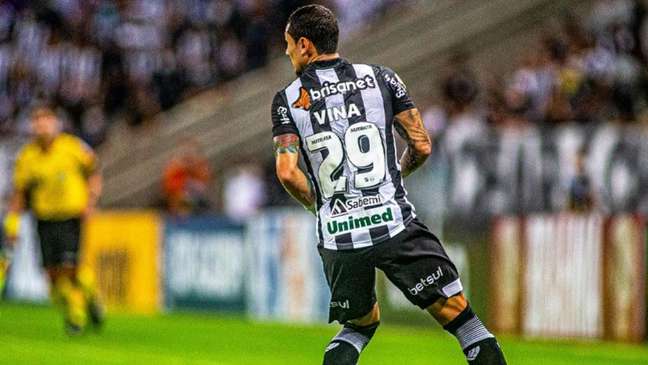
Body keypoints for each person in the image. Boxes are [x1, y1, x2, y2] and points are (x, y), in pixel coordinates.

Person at [271, 5, 507, 364]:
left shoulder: (288, 100)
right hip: (392, 224)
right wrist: (393, 176)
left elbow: (288, 172)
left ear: (305, 45)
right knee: (463, 321)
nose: (286, 52)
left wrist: (317, 206)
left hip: (338, 236)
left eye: (288, 44)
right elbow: (422, 145)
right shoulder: (381, 78)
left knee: (358, 326)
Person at [2, 106, 103, 335]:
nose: (41, 126)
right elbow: (20, 193)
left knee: (70, 267)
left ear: (56, 123)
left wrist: (91, 201)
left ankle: (76, 317)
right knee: (52, 276)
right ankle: (91, 297)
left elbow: (94, 172)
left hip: (70, 216)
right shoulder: (27, 156)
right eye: (37, 122)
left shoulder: (72, 147)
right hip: (44, 218)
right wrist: (13, 222)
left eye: (46, 121)